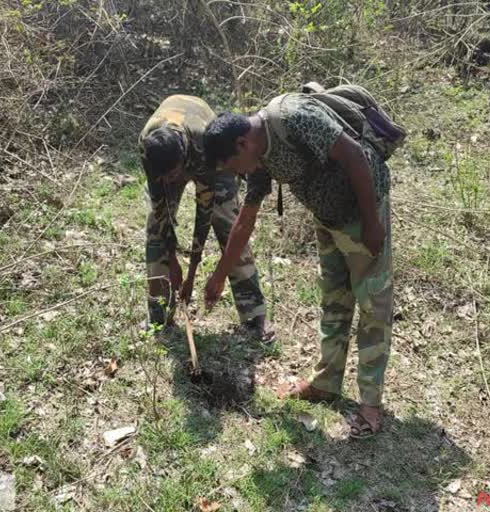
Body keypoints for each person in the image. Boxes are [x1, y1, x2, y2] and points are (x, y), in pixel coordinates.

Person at [202, 92, 393, 438]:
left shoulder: (294, 117)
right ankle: (326, 383)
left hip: (362, 214)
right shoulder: (258, 157)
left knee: (372, 304)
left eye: (232, 166)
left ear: (242, 143)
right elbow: (245, 222)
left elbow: (353, 156)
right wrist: (217, 278)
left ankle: (370, 404)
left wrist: (371, 222)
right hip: (328, 218)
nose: (236, 175)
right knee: (335, 299)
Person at [139, 95, 272, 341]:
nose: (169, 182)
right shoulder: (149, 148)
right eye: (164, 178)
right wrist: (171, 258)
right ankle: (158, 317)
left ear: (182, 162)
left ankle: (254, 318)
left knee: (228, 225)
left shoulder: (203, 147)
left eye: (173, 175)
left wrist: (191, 274)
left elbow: (205, 212)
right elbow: (160, 210)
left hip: (210, 151)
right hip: (173, 152)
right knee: (155, 231)